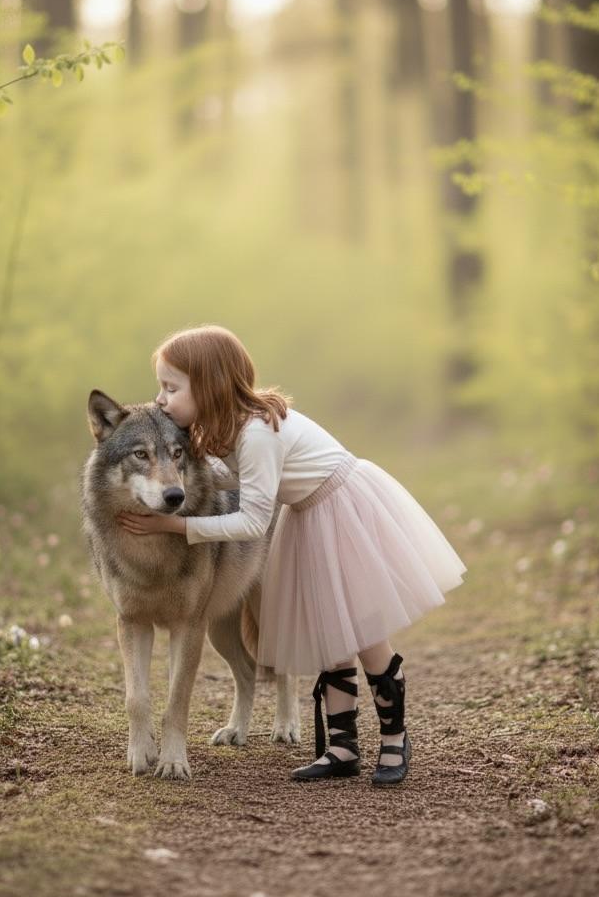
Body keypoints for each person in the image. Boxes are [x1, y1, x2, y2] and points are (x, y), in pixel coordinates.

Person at [116, 324, 466, 785]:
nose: (161, 400)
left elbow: (252, 521)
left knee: (365, 635)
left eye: (171, 387)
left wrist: (174, 525)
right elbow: (229, 476)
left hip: (341, 510)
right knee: (332, 634)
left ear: (209, 386)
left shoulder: (258, 433)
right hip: (310, 514)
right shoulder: (234, 428)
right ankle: (343, 747)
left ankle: (395, 739)